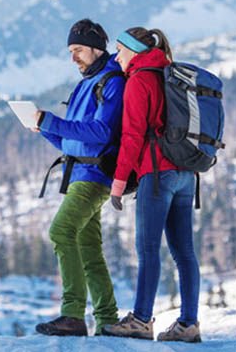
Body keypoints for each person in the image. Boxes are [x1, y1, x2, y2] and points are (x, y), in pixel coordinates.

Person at [101, 27, 202, 343]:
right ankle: (189, 324)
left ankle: (142, 319)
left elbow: (132, 137)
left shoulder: (139, 80)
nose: (117, 57)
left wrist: (118, 184)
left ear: (133, 51)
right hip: (186, 172)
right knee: (185, 252)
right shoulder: (170, 74)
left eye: (120, 50)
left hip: (156, 173)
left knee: (147, 248)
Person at [32, 18, 124, 336]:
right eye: (71, 51)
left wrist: (53, 121)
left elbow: (100, 133)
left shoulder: (111, 81)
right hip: (79, 172)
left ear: (97, 48)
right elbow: (71, 141)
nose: (74, 57)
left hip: (95, 175)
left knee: (61, 232)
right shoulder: (86, 82)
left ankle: (72, 314)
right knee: (88, 249)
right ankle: (108, 319)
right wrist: (44, 127)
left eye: (79, 50)